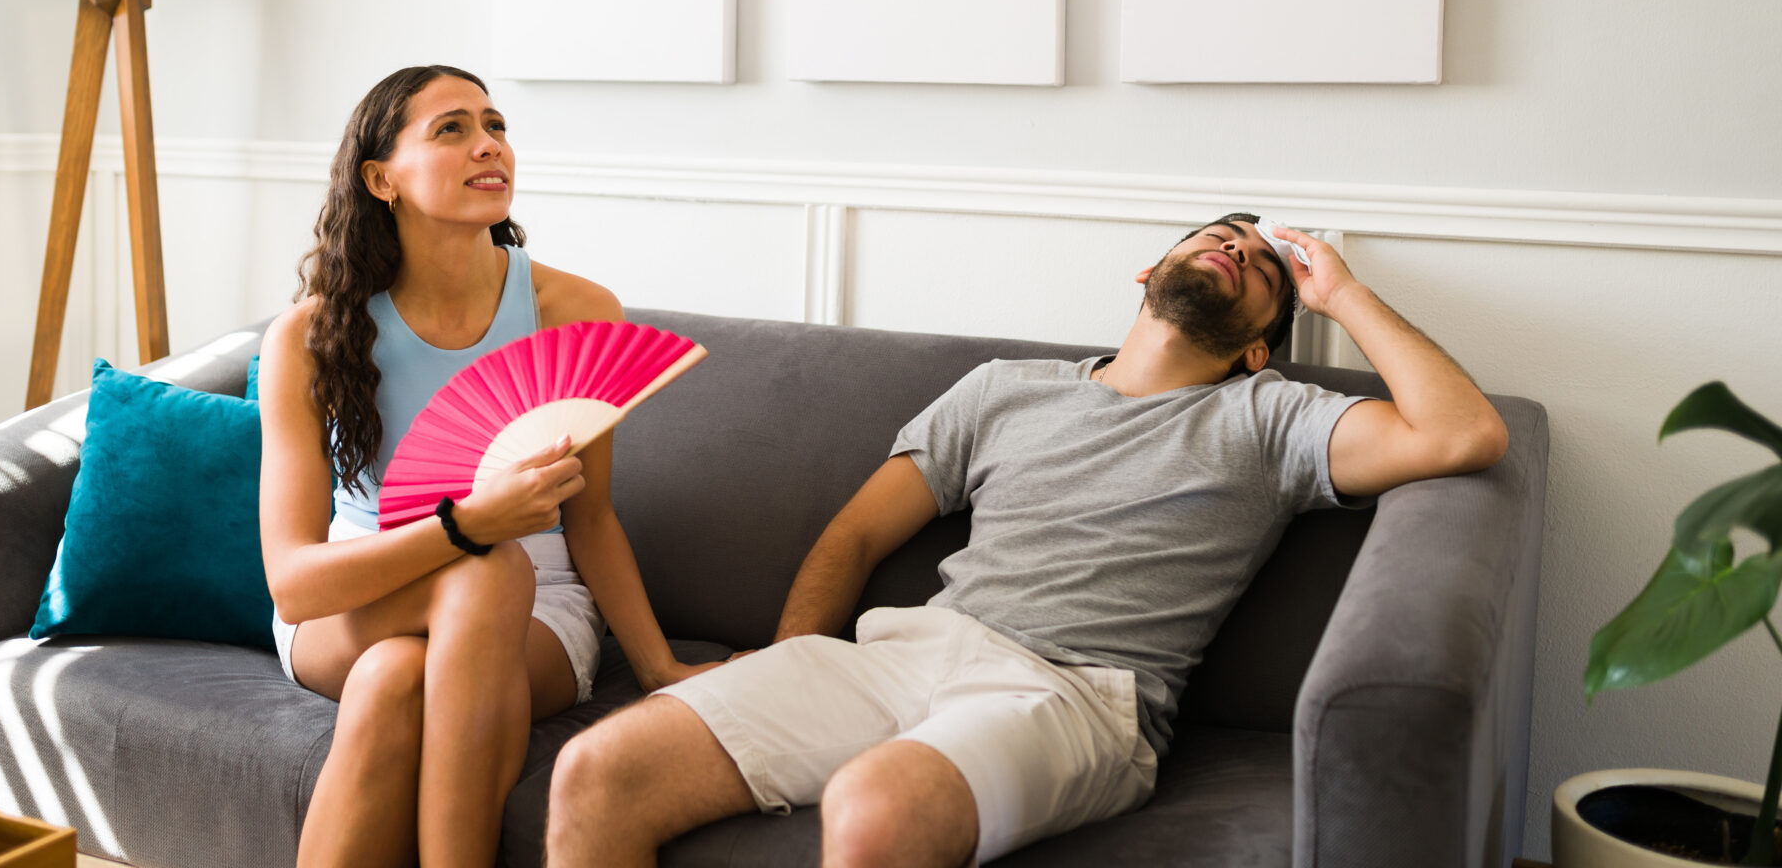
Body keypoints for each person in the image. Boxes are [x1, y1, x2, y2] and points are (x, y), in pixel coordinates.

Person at [544, 213, 1510, 868]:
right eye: (1217, 238)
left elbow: (1462, 435)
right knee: (598, 770)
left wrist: (1339, 295)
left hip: (1075, 693)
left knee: (879, 803)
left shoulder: (1271, 414)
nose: (1238, 251)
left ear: (1260, 344)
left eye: (1263, 267)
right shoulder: (1005, 389)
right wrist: (799, 647)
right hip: (901, 654)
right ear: (1147, 272)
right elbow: (856, 532)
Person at [256, 65, 715, 868]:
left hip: (536, 610)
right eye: (451, 129)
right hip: (355, 595)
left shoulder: (573, 312)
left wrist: (658, 665)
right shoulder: (307, 337)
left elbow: (592, 517)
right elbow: (296, 582)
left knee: (398, 675)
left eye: (495, 125)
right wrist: (468, 526)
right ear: (381, 178)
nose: (488, 145)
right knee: (483, 566)